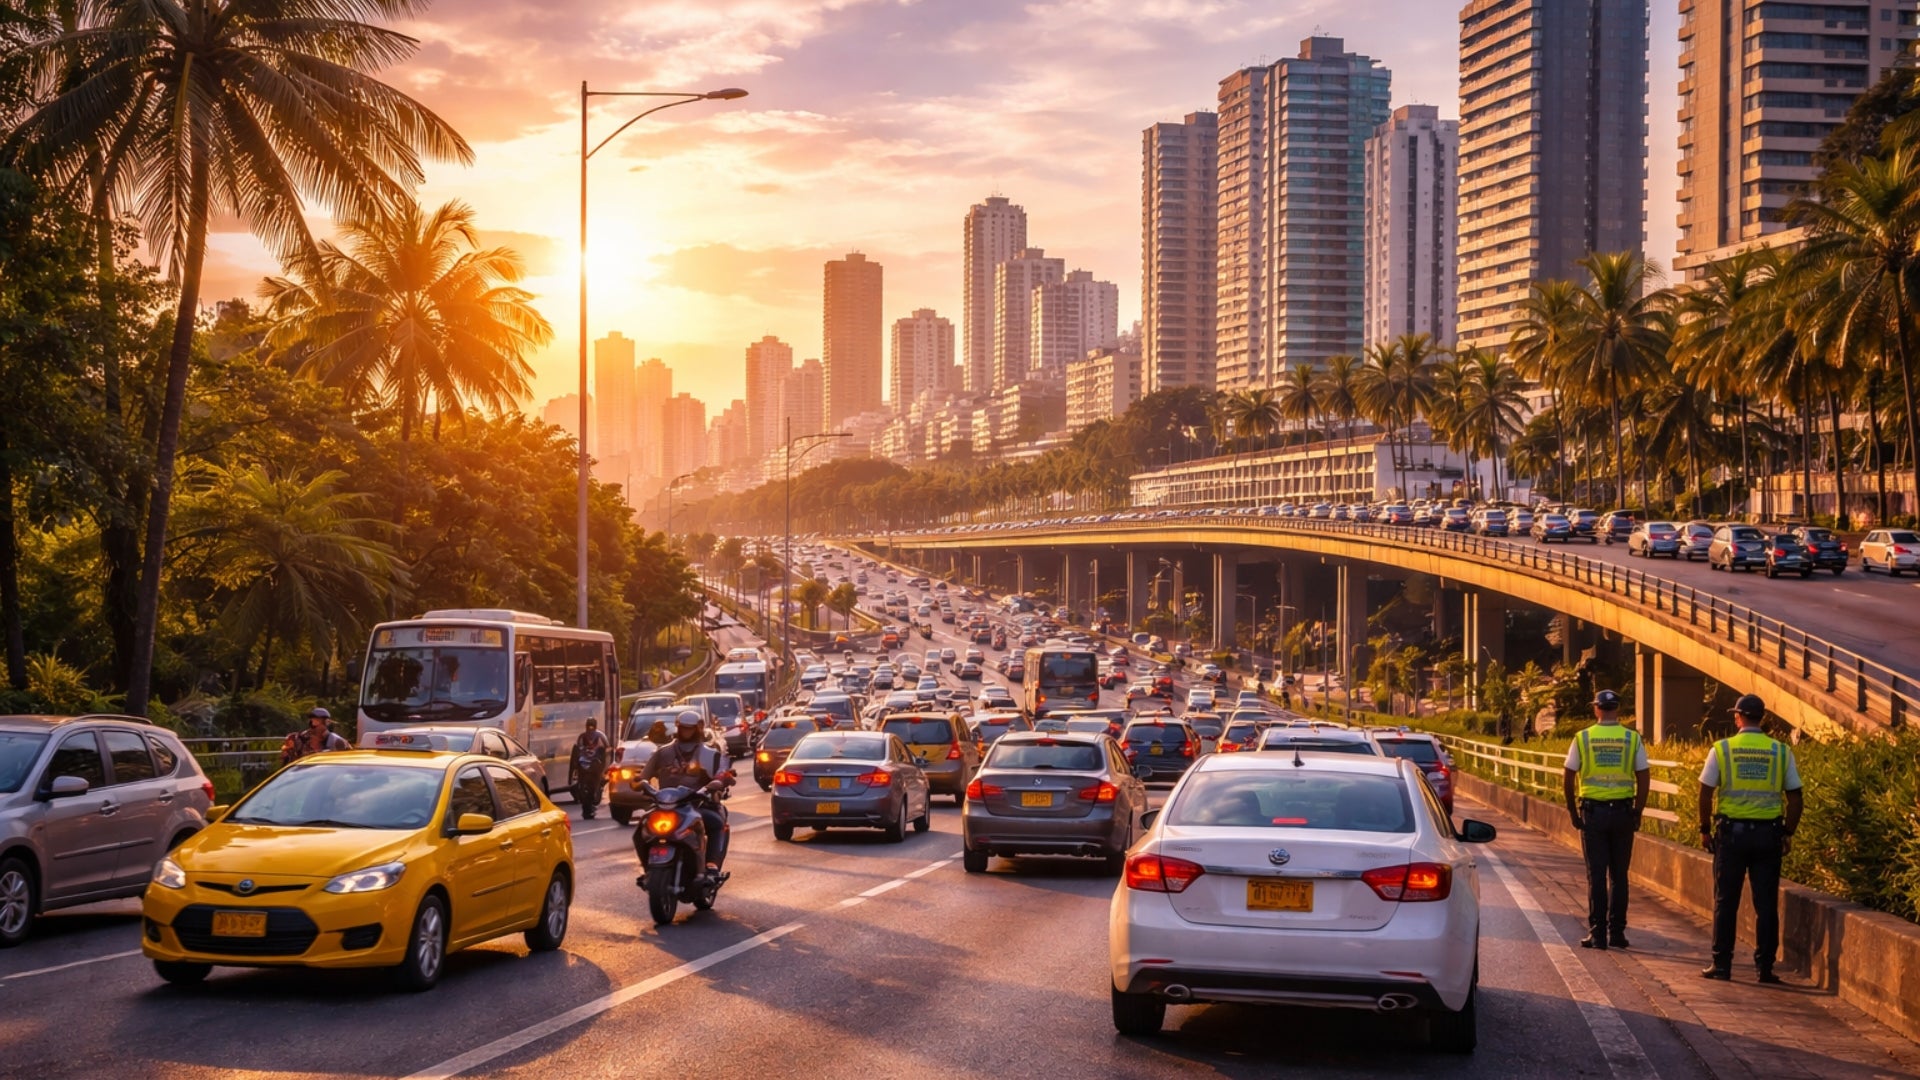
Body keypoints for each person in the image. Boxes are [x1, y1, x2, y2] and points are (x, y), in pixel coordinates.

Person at [1698, 693, 1803, 984]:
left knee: (1725, 900)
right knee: (1766, 903)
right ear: (1763, 718)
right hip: (1768, 836)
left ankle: (1721, 965)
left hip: (1731, 836)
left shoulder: (1722, 749)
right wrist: (1787, 832)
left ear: (1738, 717)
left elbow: (1705, 792)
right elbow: (1795, 797)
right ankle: (1765, 968)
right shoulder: (1780, 751)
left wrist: (1704, 829)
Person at [1562, 689, 1649, 950]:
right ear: (1617, 710)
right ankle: (1618, 934)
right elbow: (1644, 776)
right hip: (1623, 813)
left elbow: (1568, 776)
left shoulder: (1583, 738)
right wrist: (1638, 811)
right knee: (1619, 876)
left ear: (1597, 709)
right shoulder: (1631, 739)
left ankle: (1598, 934)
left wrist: (1572, 811)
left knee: (1596, 875)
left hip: (1594, 814)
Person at [637, 711, 735, 882]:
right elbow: (644, 775)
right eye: (683, 728)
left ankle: (711, 865)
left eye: (690, 729)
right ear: (677, 728)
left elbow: (723, 773)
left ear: (698, 729)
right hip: (667, 805)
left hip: (699, 804)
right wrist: (638, 782)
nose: (686, 732)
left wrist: (718, 782)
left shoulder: (711, 754)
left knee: (716, 823)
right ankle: (648, 868)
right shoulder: (663, 753)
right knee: (642, 827)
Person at [569, 718, 611, 819]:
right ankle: (587, 806)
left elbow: (607, 750)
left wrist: (604, 767)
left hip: (595, 766)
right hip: (584, 767)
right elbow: (577, 751)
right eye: (589, 726)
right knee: (582, 786)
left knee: (594, 785)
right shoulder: (582, 737)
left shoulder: (600, 736)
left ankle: (591, 802)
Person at [281, 708, 349, 764]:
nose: (316, 725)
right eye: (314, 720)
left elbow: (349, 759)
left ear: (326, 723)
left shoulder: (336, 740)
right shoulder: (297, 739)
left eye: (319, 721)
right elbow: (287, 762)